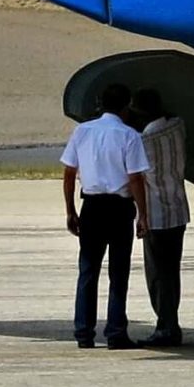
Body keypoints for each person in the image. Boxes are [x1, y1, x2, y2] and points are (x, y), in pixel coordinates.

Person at [59, 80, 149, 349]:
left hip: (91, 206)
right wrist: (142, 214)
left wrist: (70, 210)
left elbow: (69, 173)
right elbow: (135, 178)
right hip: (119, 207)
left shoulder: (82, 131)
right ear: (127, 106)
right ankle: (115, 332)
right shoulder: (129, 135)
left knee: (88, 270)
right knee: (118, 272)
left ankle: (84, 332)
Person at [134, 86, 189, 348]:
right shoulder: (177, 126)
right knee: (172, 271)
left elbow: (136, 175)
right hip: (178, 209)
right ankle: (170, 322)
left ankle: (165, 325)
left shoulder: (145, 141)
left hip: (156, 213)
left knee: (158, 274)